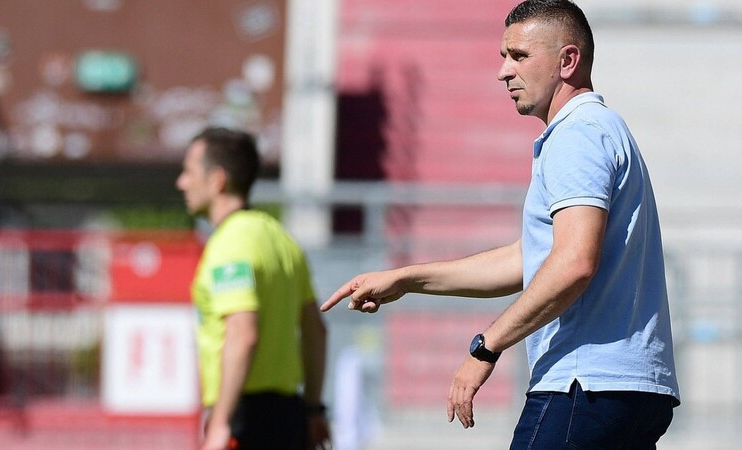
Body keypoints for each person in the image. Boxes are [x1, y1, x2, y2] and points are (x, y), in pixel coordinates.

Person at [320, 0, 680, 448]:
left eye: (519, 56)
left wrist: (485, 348)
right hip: (624, 389)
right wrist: (407, 278)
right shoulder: (597, 129)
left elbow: (573, 263)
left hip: (584, 386)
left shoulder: (577, 135)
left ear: (568, 61)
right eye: (503, 57)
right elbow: (526, 260)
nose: (503, 72)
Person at [177, 127, 332, 450]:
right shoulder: (280, 238)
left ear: (217, 180)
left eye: (189, 172)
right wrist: (313, 410)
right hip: (290, 416)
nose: (182, 182)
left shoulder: (230, 244)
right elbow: (316, 329)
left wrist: (220, 422)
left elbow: (243, 334)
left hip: (246, 419)